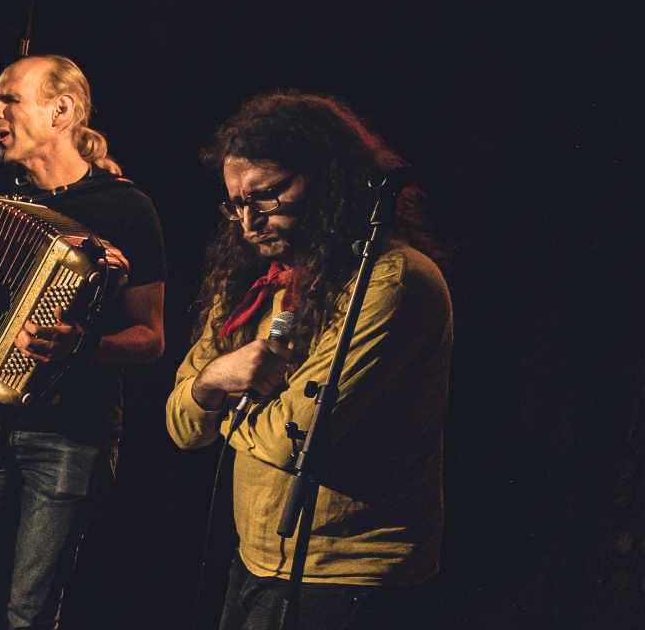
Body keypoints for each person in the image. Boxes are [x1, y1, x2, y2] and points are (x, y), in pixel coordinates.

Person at [164, 91, 452, 630]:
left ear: (329, 179)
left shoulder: (395, 281)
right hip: (257, 562)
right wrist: (215, 378)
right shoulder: (248, 283)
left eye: (267, 196)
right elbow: (181, 425)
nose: (248, 222)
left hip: (351, 577)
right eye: (236, 204)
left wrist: (218, 405)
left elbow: (292, 438)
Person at [0, 54, 167, 630]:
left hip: (70, 432)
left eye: (8, 98)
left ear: (61, 110)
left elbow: (151, 339)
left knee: (28, 612)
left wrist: (83, 346)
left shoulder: (128, 208)